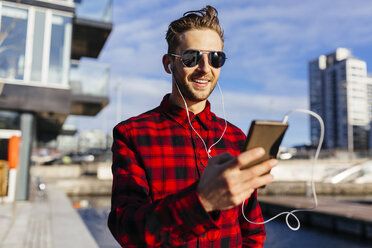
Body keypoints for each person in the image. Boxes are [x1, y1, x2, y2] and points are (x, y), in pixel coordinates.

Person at [108, 5, 277, 247]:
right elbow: (126, 230)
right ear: (169, 64)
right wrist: (202, 201)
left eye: (216, 58)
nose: (205, 68)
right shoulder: (132, 134)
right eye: (191, 57)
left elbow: (251, 228)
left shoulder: (236, 137)